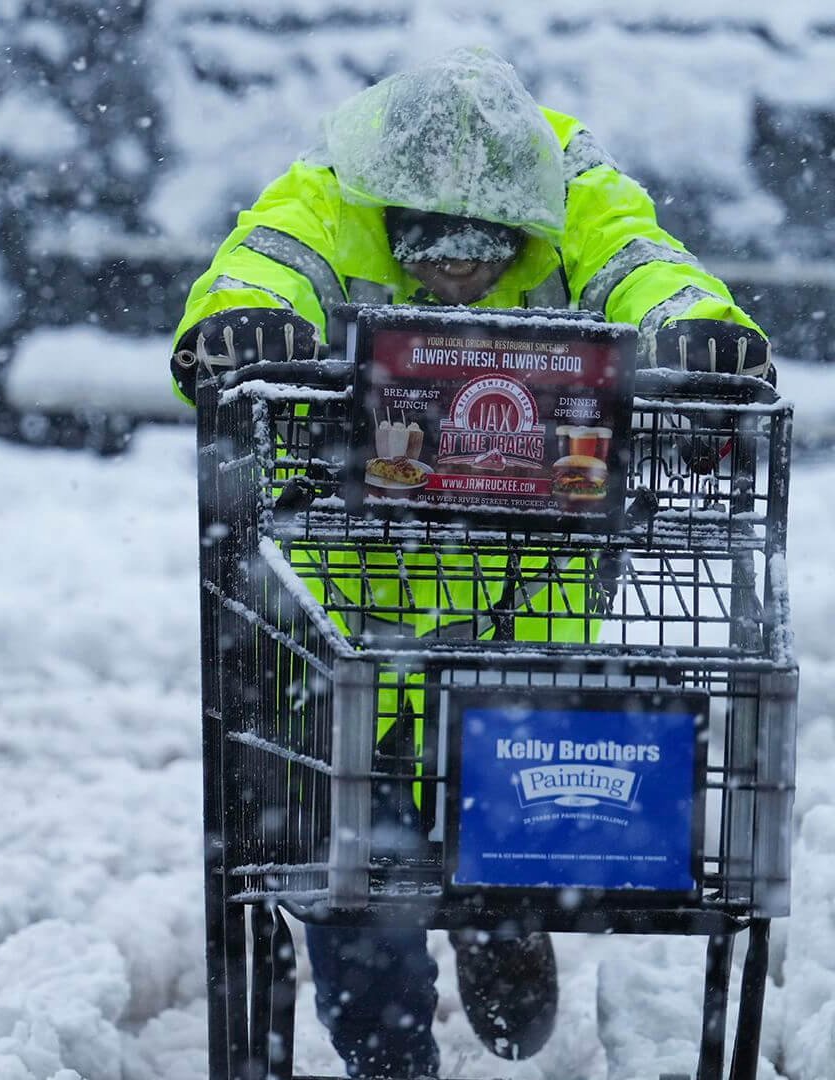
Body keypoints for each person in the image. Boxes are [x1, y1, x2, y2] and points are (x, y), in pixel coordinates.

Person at [168, 47, 771, 1078]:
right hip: (348, 633)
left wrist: (700, 329)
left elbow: (645, 265)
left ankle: (506, 932)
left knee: (506, 863)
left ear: (526, 216)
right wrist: (236, 326)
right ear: (386, 206)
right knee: (354, 903)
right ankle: (389, 1049)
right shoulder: (329, 189)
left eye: (483, 245)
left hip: (523, 633)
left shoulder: (577, 183)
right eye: (428, 244)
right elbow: (264, 263)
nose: (456, 269)